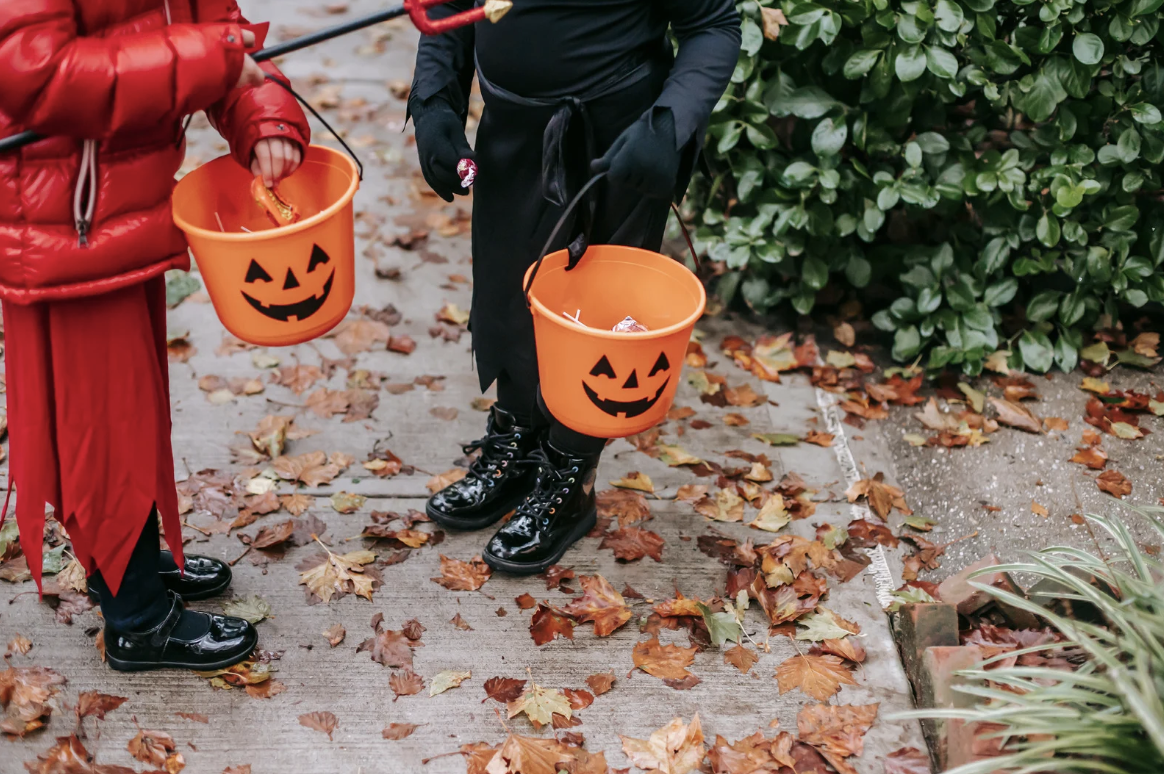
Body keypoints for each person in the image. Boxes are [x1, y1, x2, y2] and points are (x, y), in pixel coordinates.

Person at [0, 0, 310, 671]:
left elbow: (215, 28)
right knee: (99, 429)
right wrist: (215, 60)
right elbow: (40, 74)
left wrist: (264, 118)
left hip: (123, 204)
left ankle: (131, 563)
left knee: (129, 418)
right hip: (66, 224)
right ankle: (136, 619)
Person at [410, 0, 740, 574]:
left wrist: (667, 124)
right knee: (507, 294)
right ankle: (516, 444)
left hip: (620, 141)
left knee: (595, 323)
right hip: (512, 130)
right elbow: (446, 8)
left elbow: (713, 24)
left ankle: (570, 478)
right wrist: (435, 101)